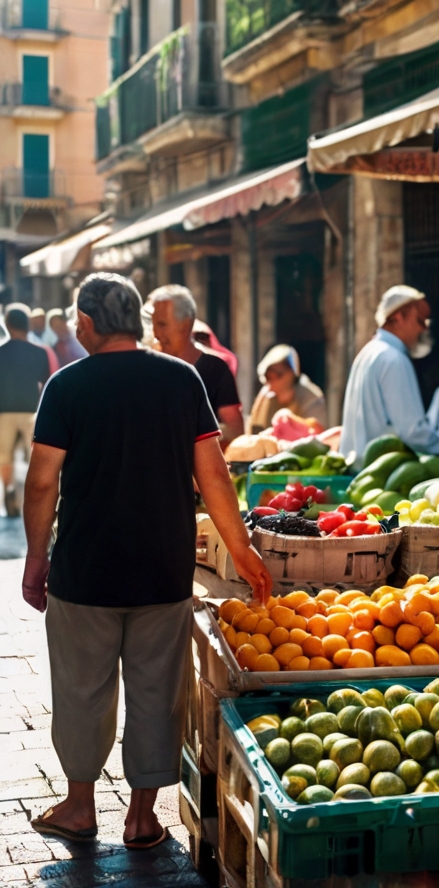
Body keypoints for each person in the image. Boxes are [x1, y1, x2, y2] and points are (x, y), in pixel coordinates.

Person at [21, 272, 272, 849]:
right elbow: (213, 475)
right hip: (163, 568)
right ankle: (142, 818)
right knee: (158, 691)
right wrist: (243, 550)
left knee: (82, 689)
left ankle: (80, 807)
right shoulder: (181, 379)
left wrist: (37, 557)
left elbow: (40, 484)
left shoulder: (65, 385)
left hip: (84, 572)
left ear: (85, 324)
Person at [340, 285, 439, 474]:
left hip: (359, 470)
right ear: (398, 317)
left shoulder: (369, 352)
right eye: (420, 321)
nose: (424, 330)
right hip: (380, 473)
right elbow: (413, 431)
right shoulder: (393, 358)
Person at [148, 285, 244, 447]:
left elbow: (235, 429)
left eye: (162, 325)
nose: (156, 333)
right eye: (154, 325)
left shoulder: (215, 368)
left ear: (186, 325)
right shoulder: (149, 366)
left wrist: (192, 434)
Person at [0, 304, 51, 517]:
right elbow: (47, 384)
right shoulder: (39, 353)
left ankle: (9, 490)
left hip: (4, 410)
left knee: (5, 457)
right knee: (34, 459)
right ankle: (35, 497)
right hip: (31, 411)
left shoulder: (1, 352)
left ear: (8, 325)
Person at [248, 344, 327, 433]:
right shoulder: (265, 397)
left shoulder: (311, 399)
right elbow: (254, 431)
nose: (272, 383)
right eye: (269, 377)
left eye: (278, 375)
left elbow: (317, 434)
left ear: (291, 374)